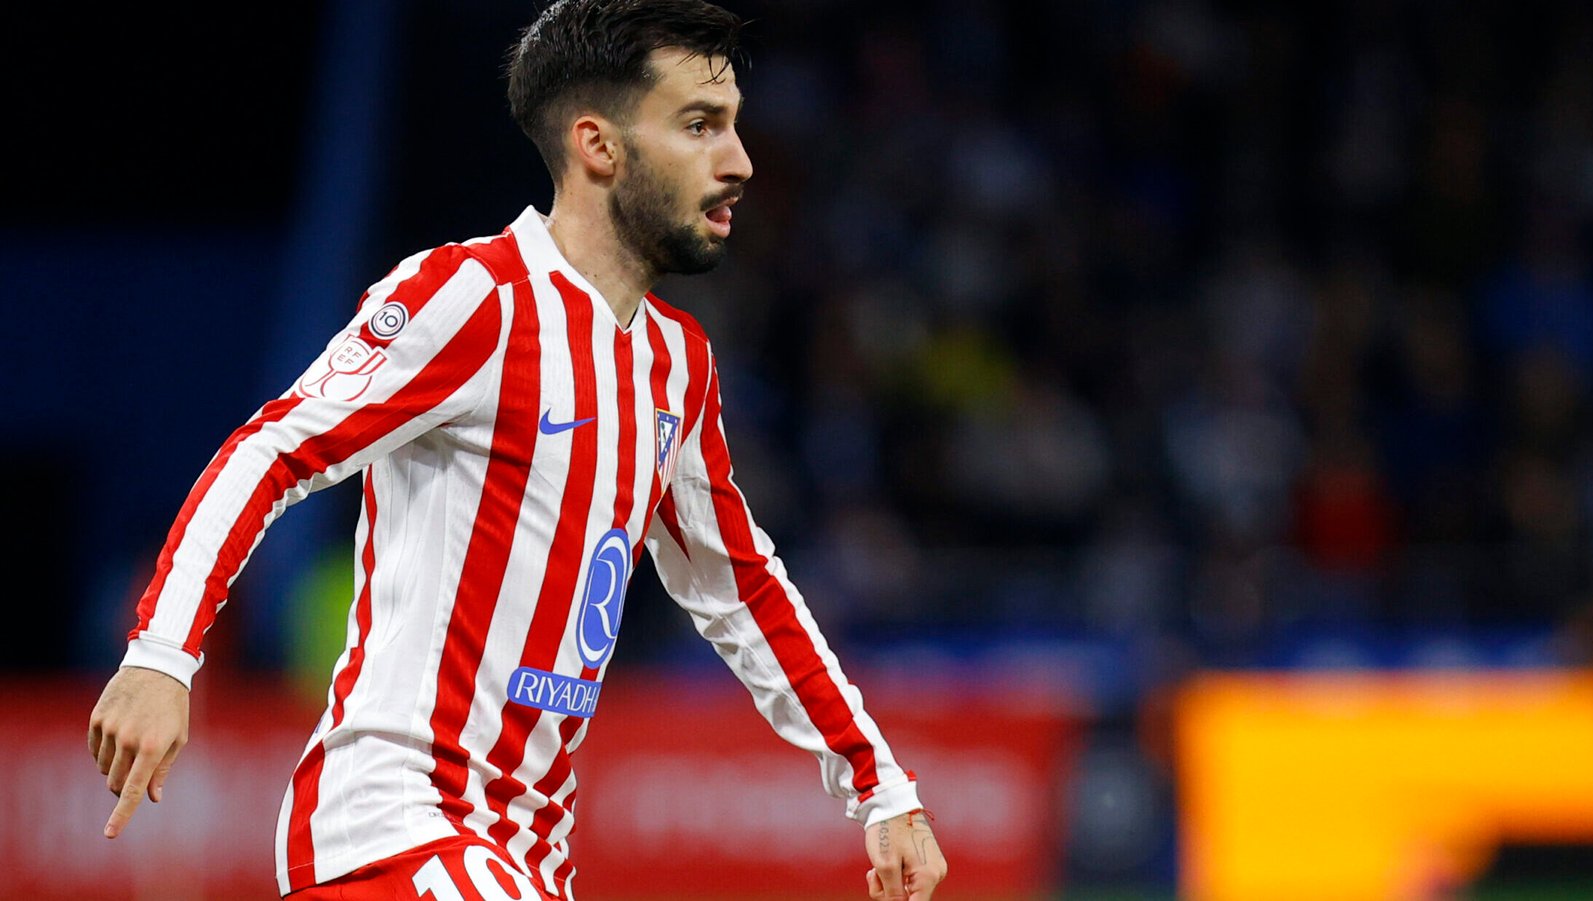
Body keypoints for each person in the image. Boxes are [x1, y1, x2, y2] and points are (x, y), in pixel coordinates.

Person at [86, 1, 948, 899]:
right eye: (700, 125)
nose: (739, 162)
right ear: (598, 146)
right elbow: (273, 448)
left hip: (527, 855)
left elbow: (741, 587)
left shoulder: (675, 364)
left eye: (732, 126)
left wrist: (878, 782)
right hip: (397, 827)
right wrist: (161, 654)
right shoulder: (472, 297)